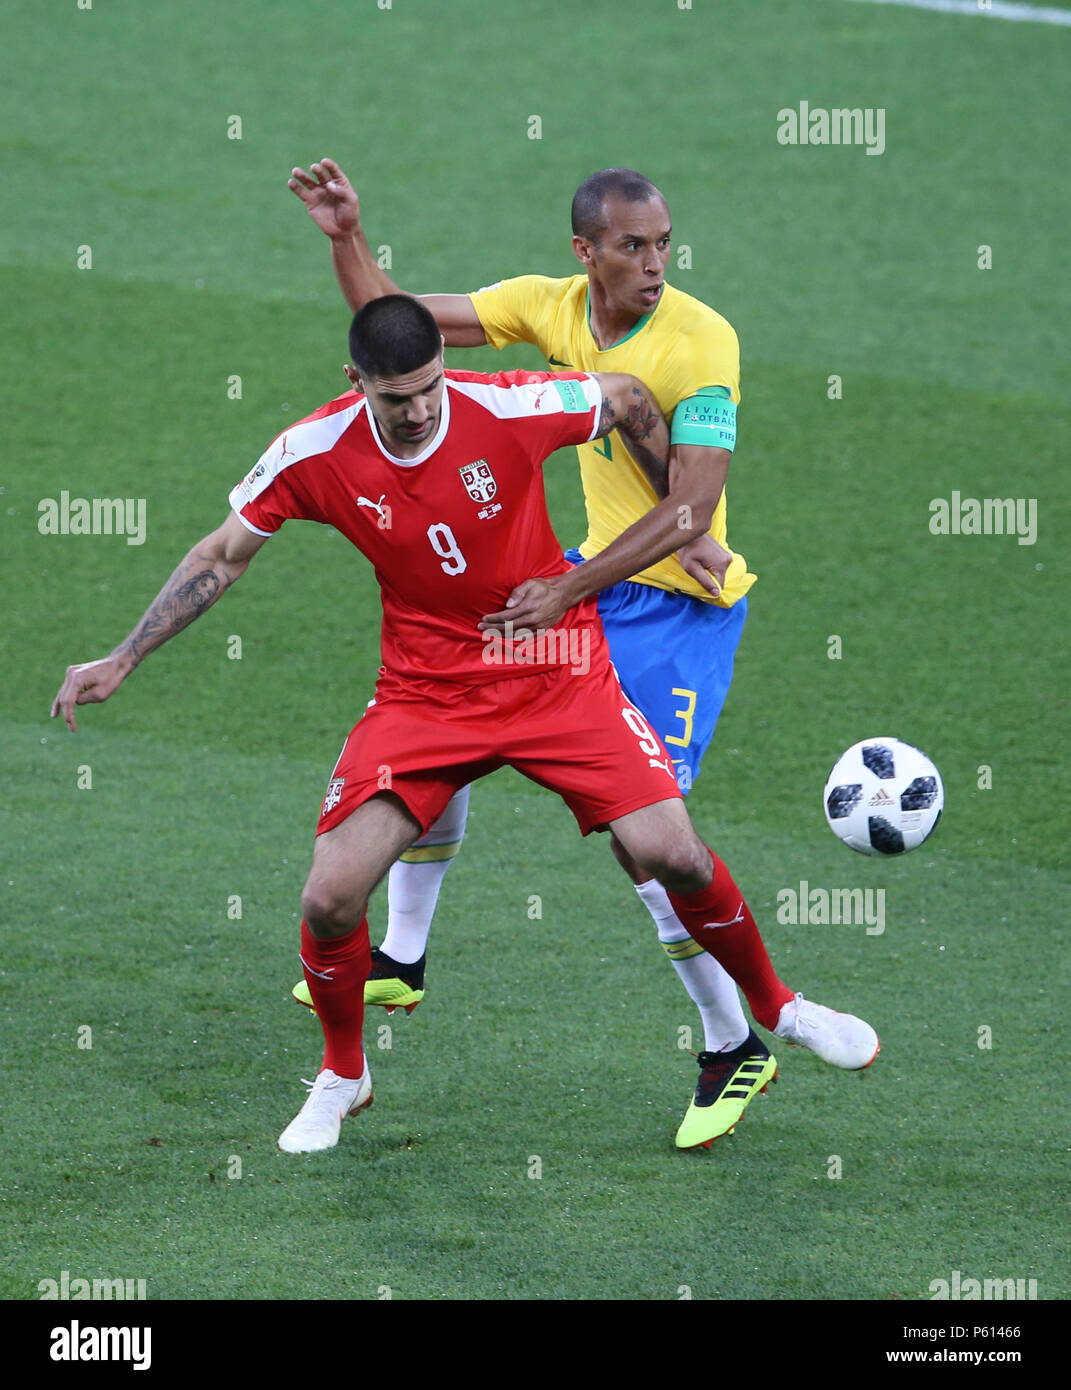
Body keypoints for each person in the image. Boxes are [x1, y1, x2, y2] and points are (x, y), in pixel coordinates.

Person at [51, 297, 878, 1155]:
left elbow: (630, 397)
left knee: (670, 850)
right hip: (426, 691)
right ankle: (344, 1075)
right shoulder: (311, 452)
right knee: (329, 897)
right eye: (394, 398)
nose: (416, 412)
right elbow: (222, 554)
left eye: (427, 389)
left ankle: (780, 1008)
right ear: (356, 384)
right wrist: (125, 656)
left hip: (556, 668)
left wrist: (677, 527)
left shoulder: (507, 407)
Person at [288, 159, 782, 1147]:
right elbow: (396, 329)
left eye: (663, 245)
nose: (654, 264)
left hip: (675, 610)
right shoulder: (549, 306)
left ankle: (735, 1039)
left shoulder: (703, 338)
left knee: (650, 851)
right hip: (591, 586)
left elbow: (691, 503)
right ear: (586, 252)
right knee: (452, 681)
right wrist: (347, 236)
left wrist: (666, 545)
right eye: (633, 247)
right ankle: (406, 952)